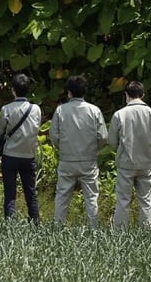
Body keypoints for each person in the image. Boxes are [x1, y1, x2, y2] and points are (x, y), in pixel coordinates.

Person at [50, 74, 107, 227]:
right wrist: (95, 149)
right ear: (85, 91)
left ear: (69, 92)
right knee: (91, 197)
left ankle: (57, 227)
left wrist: (62, 147)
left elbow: (54, 136)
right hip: (88, 159)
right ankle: (93, 229)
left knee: (62, 195)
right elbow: (102, 136)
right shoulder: (94, 110)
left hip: (67, 159)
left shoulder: (61, 110)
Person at [108, 80, 151, 228]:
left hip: (126, 162)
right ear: (142, 95)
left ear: (126, 95)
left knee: (123, 200)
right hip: (147, 162)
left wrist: (122, 149)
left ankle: (120, 232)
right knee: (146, 200)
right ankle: (146, 231)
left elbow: (112, 141)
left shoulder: (120, 114)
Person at [0, 73, 42, 222]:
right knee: (31, 191)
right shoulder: (36, 109)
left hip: (10, 154)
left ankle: (10, 223)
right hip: (28, 155)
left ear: (13, 90)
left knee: (10, 193)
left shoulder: (6, 109)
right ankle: (35, 221)